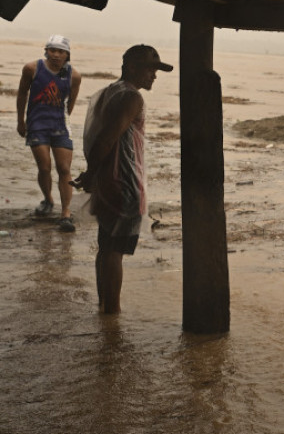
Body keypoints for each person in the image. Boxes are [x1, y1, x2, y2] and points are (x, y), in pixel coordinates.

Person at [73, 45, 173, 314]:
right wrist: (90, 173)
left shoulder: (110, 91)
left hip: (108, 179)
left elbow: (98, 136)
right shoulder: (132, 98)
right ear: (131, 68)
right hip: (124, 183)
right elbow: (107, 139)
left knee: (106, 247)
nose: (154, 75)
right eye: (150, 69)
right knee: (115, 250)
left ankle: (104, 306)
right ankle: (112, 316)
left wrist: (91, 173)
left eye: (156, 70)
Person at [15, 34, 82, 232]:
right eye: (52, 50)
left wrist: (64, 121)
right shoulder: (32, 69)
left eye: (61, 51)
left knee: (64, 168)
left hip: (60, 125)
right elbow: (21, 94)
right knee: (44, 167)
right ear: (46, 51)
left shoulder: (74, 76)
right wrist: (21, 120)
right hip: (36, 124)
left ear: (67, 55)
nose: (56, 55)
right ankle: (48, 199)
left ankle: (66, 213)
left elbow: (71, 102)